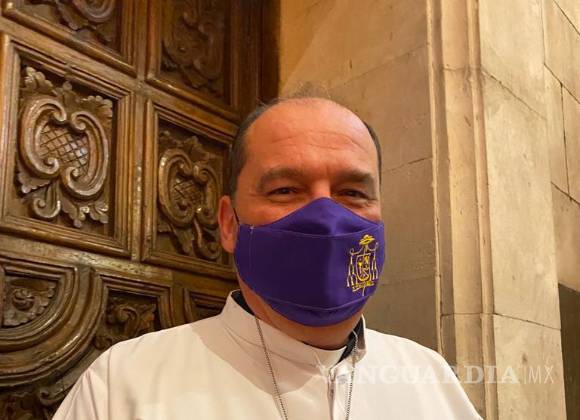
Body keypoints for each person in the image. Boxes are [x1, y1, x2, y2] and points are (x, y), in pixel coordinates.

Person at [53, 97, 482, 419]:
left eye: (352, 192)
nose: (325, 217)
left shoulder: (431, 377)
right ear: (229, 224)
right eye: (285, 190)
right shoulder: (122, 387)